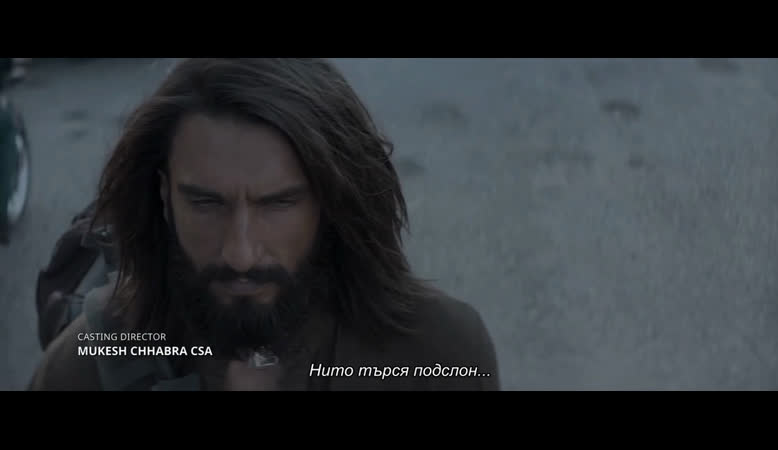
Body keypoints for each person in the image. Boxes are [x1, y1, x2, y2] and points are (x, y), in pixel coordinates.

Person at [28, 58, 499, 391]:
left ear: (332, 201)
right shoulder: (84, 369)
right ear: (164, 197)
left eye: (279, 203)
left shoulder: (439, 355)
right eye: (206, 203)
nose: (240, 253)